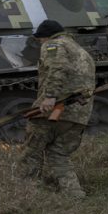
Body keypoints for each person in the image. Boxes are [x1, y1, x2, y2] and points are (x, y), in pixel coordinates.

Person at [18, 19, 96, 198]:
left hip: (53, 111)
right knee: (58, 154)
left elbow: (58, 67)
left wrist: (50, 97)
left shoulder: (53, 45)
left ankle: (25, 194)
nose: (40, 43)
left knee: (30, 153)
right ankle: (74, 194)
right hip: (79, 115)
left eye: (39, 40)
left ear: (45, 36)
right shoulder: (80, 50)